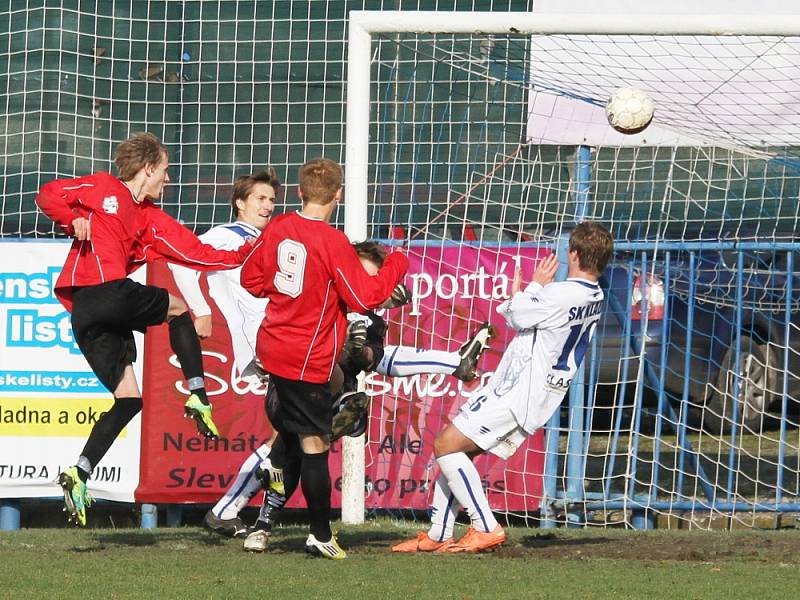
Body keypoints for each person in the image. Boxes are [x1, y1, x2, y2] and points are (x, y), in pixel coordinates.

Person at [200, 241, 495, 550]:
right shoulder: (318, 295)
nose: (361, 282)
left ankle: (263, 526)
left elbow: (372, 357)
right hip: (292, 386)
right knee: (292, 439)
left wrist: (357, 346)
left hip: (320, 392)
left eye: (371, 278)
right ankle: (345, 413)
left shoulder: (370, 321)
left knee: (293, 453)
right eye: (359, 274)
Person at [35, 132, 252, 526]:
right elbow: (48, 194)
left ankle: (78, 473)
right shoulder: (103, 187)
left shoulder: (152, 219)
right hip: (103, 294)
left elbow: (198, 253)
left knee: (130, 398)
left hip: (87, 315)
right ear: (148, 168)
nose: (168, 179)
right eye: (165, 171)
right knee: (178, 310)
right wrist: (73, 218)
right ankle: (199, 394)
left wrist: (244, 252)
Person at [391, 221, 614, 554]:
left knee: (446, 445)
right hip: (536, 392)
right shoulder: (594, 296)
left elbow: (515, 315)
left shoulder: (560, 293)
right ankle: (438, 533)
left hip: (519, 392)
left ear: (576, 254)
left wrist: (532, 287)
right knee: (458, 453)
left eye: (569, 249)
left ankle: (486, 527)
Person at [240, 158, 408, 559]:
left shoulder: (278, 227)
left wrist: (291, 294)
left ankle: (276, 481)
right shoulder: (331, 241)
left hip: (273, 348)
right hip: (306, 356)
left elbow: (251, 279)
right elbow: (365, 297)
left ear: (298, 193)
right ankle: (319, 533)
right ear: (338, 195)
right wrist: (398, 263)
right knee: (314, 444)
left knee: (294, 432)